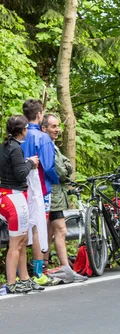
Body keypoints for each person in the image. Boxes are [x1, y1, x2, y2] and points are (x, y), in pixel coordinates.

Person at [41, 114, 87, 283]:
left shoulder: (53, 146)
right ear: (44, 128)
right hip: (52, 193)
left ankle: (45, 269)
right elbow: (61, 171)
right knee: (60, 229)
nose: (57, 129)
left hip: (54, 194)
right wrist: (65, 170)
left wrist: (66, 168)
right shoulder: (47, 145)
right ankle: (66, 269)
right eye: (53, 126)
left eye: (58, 126)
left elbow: (67, 165)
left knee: (50, 231)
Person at [0, 115, 43, 293]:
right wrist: (30, 163)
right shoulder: (16, 149)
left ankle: (24, 277)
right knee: (16, 242)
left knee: (23, 240)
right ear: (22, 130)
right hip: (14, 197)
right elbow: (20, 174)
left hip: (8, 195)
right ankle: (11, 282)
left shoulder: (5, 146)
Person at [21, 99, 60, 286]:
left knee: (21, 229)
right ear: (39, 115)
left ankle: (22, 273)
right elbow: (48, 166)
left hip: (20, 187)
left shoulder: (19, 134)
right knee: (38, 228)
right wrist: (57, 180)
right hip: (41, 188)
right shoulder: (42, 137)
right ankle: (38, 271)